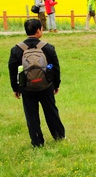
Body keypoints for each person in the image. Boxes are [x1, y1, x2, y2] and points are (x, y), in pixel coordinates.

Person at [7, 18, 65, 147]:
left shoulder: (16, 49)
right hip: (46, 86)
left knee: (31, 114)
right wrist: (56, 85)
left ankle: (37, 141)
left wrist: (15, 88)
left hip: (26, 88)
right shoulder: (48, 48)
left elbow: (12, 70)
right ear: (39, 30)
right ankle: (59, 136)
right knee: (51, 111)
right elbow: (55, 68)